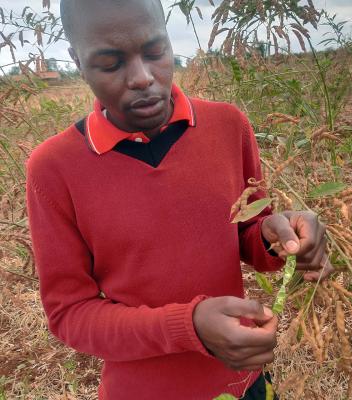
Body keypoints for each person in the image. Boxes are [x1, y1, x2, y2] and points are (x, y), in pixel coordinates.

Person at [26, 0, 332, 399]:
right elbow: (71, 315)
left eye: (154, 51)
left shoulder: (227, 126)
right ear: (77, 61)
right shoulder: (54, 168)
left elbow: (246, 233)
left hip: (243, 383)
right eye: (110, 63)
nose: (142, 77)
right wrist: (189, 326)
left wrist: (280, 236)